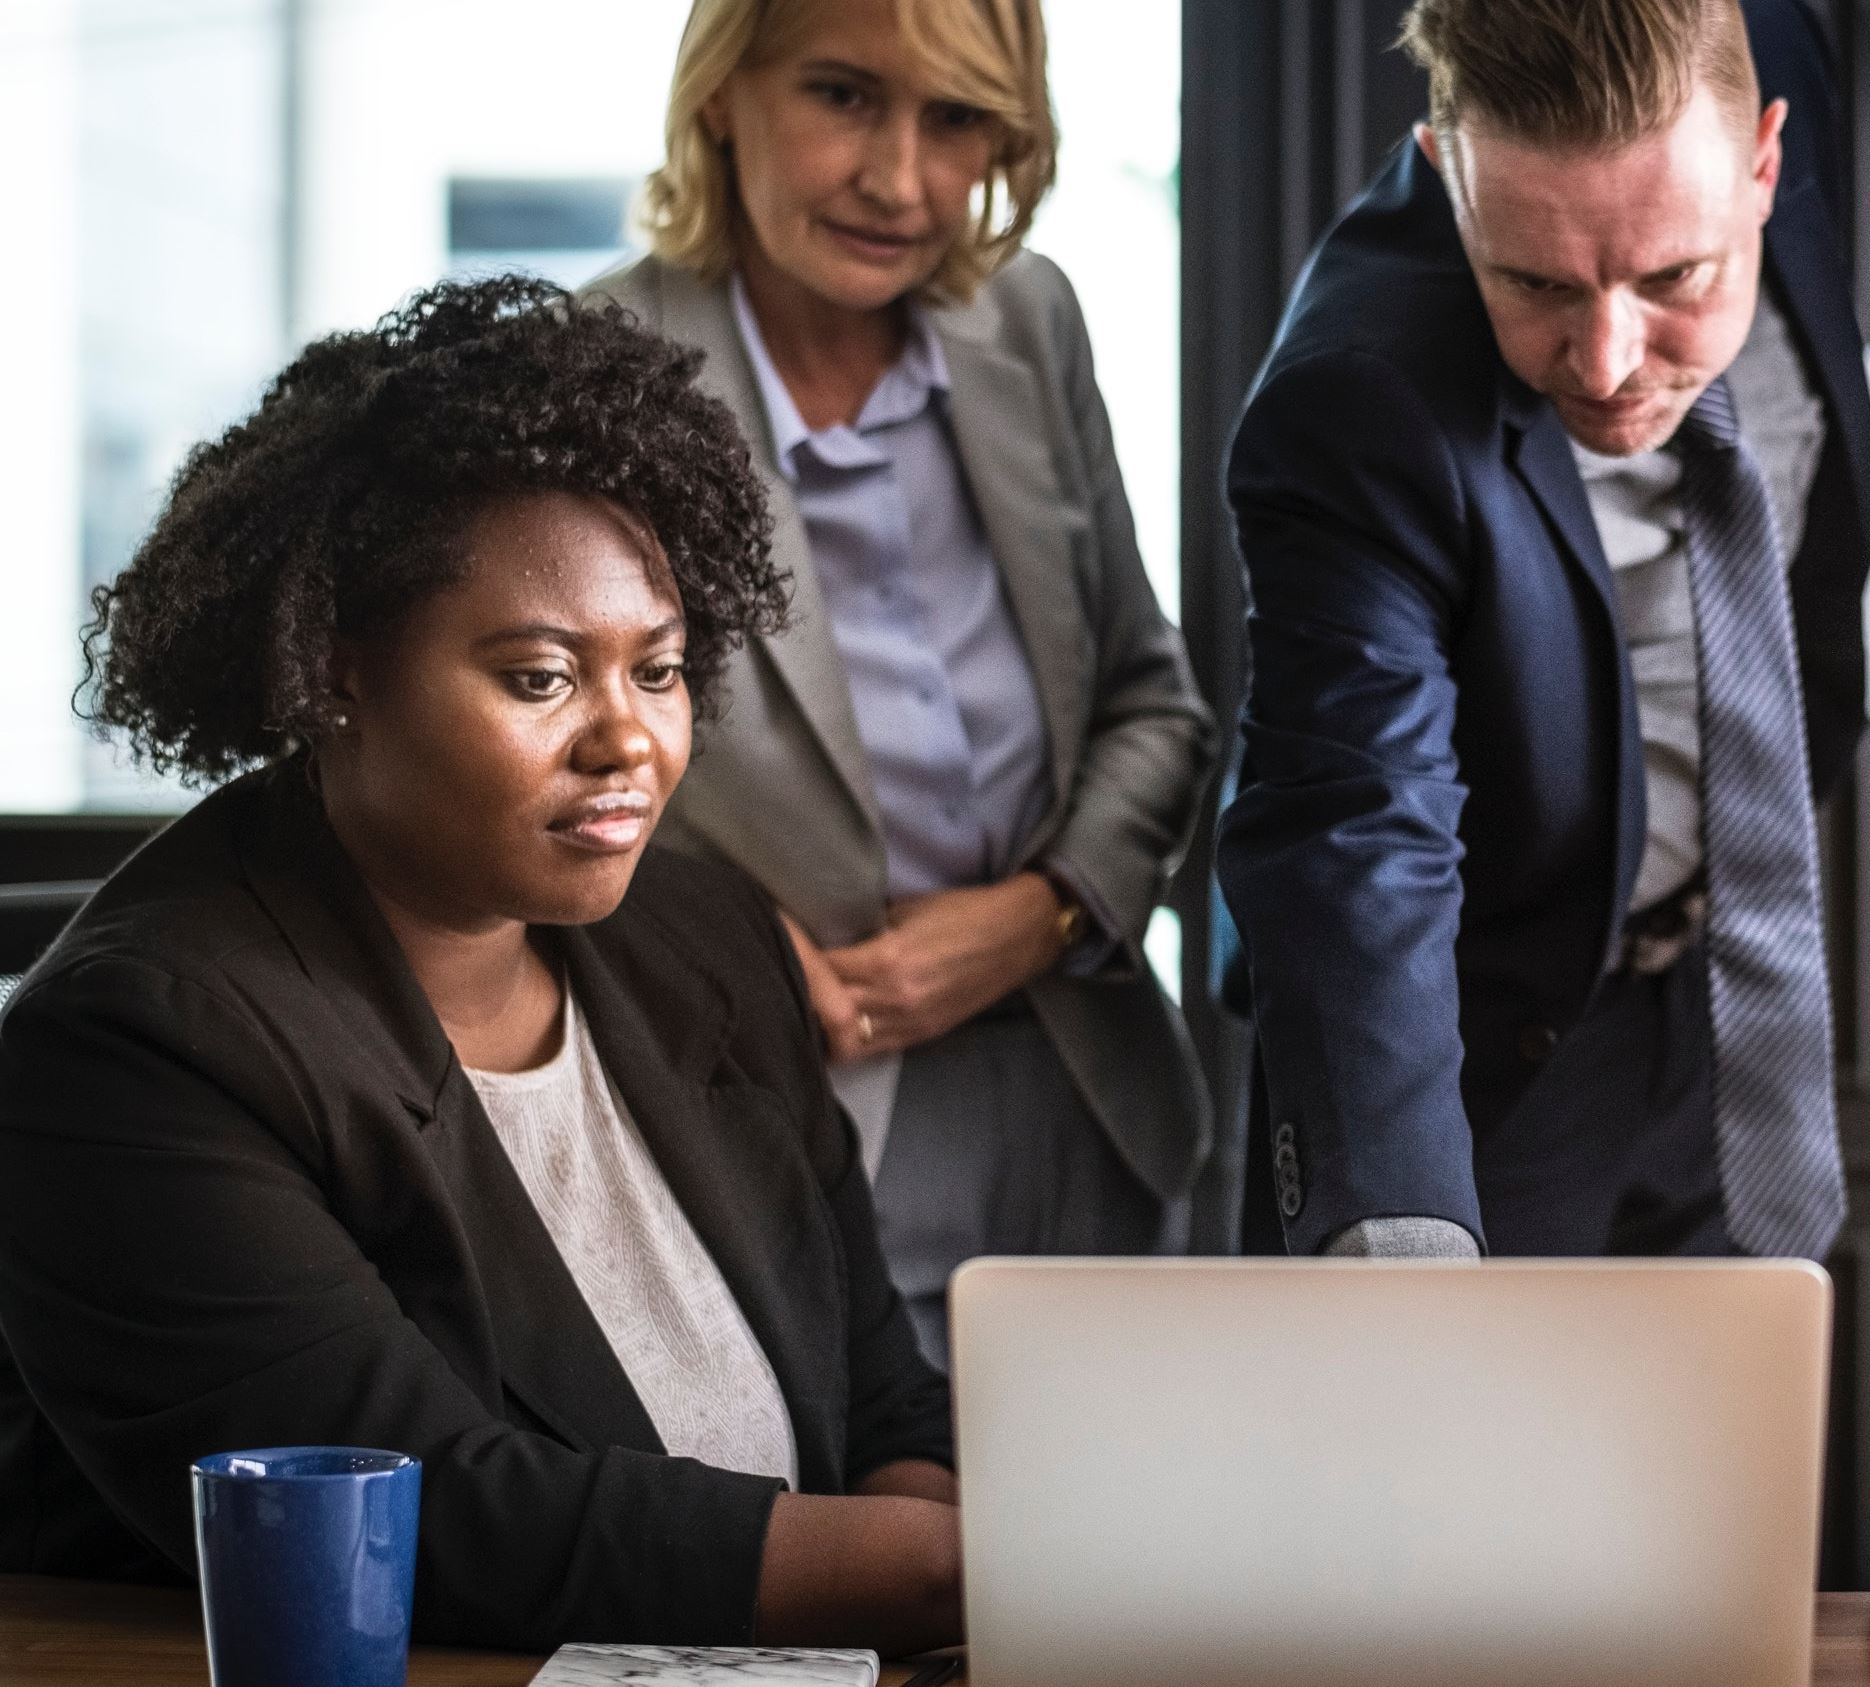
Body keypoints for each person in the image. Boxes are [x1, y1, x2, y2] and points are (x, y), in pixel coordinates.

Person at [0, 278, 965, 1654]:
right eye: (540, 677)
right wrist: (939, 1573)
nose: (627, 739)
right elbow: (433, 1517)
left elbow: (882, 1394)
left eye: (661, 668)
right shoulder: (143, 1043)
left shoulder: (710, 939)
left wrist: (926, 1610)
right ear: (336, 673)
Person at [591, 0, 1217, 1349]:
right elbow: (517, 785)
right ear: (721, 91)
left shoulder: (1031, 320)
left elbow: (1151, 701)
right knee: (895, 1547)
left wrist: (1044, 910)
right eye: (843, 96)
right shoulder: (596, 374)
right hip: (779, 1105)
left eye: (958, 117)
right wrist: (736, 947)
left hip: (1091, 1097)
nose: (904, 180)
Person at [1220, 0, 1870, 1260]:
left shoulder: (1773, 50)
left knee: (1737, 1443)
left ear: (1766, 163)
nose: (1607, 361)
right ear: (1444, 172)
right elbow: (1353, 823)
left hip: (1734, 990)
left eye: (1675, 276)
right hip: (1475, 1046)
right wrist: (1396, 1225)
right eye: (1535, 282)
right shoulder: (1355, 401)